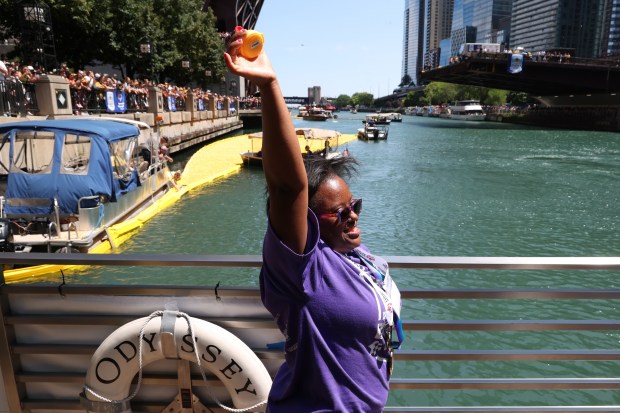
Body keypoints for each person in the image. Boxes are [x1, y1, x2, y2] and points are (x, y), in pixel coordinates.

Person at [224, 29, 403, 413]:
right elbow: (288, 187)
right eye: (339, 212)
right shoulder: (303, 269)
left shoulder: (355, 254)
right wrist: (270, 85)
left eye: (355, 205)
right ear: (309, 223)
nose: (352, 215)